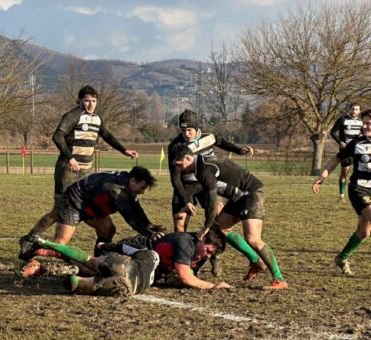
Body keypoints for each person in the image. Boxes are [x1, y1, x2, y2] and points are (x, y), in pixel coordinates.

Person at [21, 85, 138, 254]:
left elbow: (107, 135)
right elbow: (57, 136)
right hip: (67, 170)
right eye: (87, 100)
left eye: (93, 101)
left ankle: (96, 254)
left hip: (85, 173)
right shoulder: (74, 115)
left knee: (80, 209)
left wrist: (123, 150)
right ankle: (32, 239)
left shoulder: (96, 119)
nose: (90, 104)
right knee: (59, 210)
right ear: (80, 101)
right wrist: (71, 158)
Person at [173, 145, 288, 289]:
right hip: (238, 197)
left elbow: (211, 200)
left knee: (253, 239)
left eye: (179, 164)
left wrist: (206, 225)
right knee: (220, 228)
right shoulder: (201, 164)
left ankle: (279, 279)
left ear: (188, 158)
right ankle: (254, 261)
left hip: (251, 193)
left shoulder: (203, 169)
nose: (179, 169)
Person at [20, 167, 165, 277]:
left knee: (107, 230)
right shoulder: (117, 189)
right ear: (133, 181)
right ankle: (33, 256)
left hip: (90, 205)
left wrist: (148, 224)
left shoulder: (127, 183)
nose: (142, 192)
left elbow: (135, 206)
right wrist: (147, 233)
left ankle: (96, 262)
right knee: (60, 242)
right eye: (142, 188)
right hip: (74, 203)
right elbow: (129, 216)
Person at [167, 109, 254, 276]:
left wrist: (239, 150)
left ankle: (216, 257)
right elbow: (175, 178)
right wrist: (185, 200)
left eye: (189, 130)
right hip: (185, 185)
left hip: (207, 183)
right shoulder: (175, 147)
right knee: (179, 225)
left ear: (197, 128)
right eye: (183, 130)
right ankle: (182, 264)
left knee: (219, 221)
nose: (186, 134)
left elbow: (221, 142)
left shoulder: (209, 137)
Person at [29, 229, 229, 294]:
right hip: (137, 250)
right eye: (208, 251)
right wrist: (212, 285)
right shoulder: (186, 243)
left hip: (141, 264)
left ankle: (47, 265)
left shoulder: (198, 253)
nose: (207, 256)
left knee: (94, 269)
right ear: (203, 239)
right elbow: (185, 277)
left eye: (211, 255)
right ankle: (50, 253)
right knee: (98, 261)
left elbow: (186, 276)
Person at [313, 108, 371, 275]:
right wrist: (322, 176)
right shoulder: (357, 143)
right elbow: (337, 158)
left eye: (369, 124)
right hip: (358, 189)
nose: (366, 126)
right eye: (365, 123)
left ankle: (342, 258)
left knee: (364, 231)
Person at [329, 103, 363, 200]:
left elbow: (364, 134)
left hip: (358, 150)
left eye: (356, 109)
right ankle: (341, 195)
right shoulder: (342, 119)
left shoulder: (361, 122)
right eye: (352, 109)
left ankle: (359, 193)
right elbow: (333, 132)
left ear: (359, 111)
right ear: (349, 109)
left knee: (360, 172)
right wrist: (340, 142)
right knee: (344, 173)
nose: (354, 111)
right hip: (346, 150)